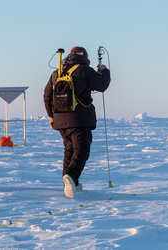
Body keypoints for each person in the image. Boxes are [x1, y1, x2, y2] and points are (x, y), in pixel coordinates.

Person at [44, 46, 111, 198]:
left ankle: (70, 183)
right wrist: (104, 70)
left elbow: (47, 95)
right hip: (79, 119)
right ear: (84, 57)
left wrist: (51, 116)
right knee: (81, 150)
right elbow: (102, 85)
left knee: (70, 149)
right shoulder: (85, 71)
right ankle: (72, 178)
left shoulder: (57, 73)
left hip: (60, 120)